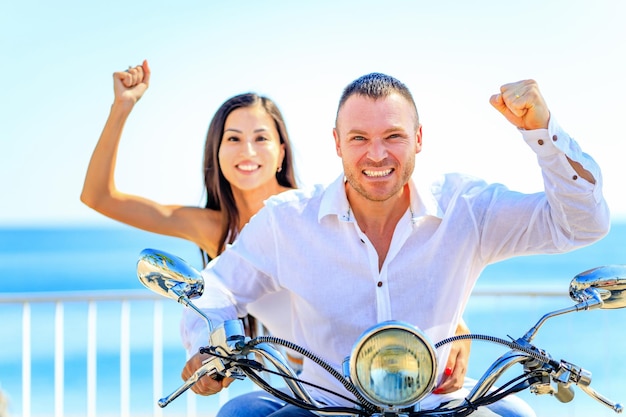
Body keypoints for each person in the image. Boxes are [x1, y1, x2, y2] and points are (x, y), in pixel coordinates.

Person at [179, 73, 610, 417]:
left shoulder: (466, 207)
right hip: (326, 409)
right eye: (359, 138)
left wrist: (542, 131)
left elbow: (581, 225)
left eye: (394, 136)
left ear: (419, 139)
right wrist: (208, 346)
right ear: (337, 144)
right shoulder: (288, 220)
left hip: (440, 408)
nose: (377, 155)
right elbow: (215, 289)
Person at [80, 62, 472, 393]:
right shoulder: (212, 227)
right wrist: (122, 108)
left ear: (281, 150)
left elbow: (384, 256)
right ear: (216, 152)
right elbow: (99, 197)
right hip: (306, 381)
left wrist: (454, 319)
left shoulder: (304, 216)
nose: (247, 151)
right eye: (233, 139)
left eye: (261, 138)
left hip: (375, 370)